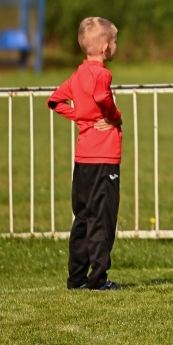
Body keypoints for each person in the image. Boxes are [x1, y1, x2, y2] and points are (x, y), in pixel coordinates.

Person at [48, 16, 123, 291]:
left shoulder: (78, 75)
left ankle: (76, 277)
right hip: (104, 158)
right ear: (105, 47)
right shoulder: (102, 74)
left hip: (83, 159)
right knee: (102, 218)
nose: (115, 46)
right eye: (115, 42)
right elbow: (103, 98)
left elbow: (54, 101)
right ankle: (98, 279)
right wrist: (114, 117)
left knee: (82, 217)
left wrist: (81, 117)